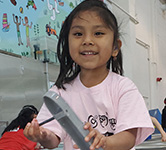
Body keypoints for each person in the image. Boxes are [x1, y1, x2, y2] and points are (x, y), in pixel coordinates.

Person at [23, 0, 154, 150]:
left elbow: (128, 137)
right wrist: (42, 135)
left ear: (115, 47)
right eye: (78, 34)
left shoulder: (123, 88)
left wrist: (104, 142)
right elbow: (52, 139)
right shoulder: (59, 93)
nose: (87, 41)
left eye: (98, 33)